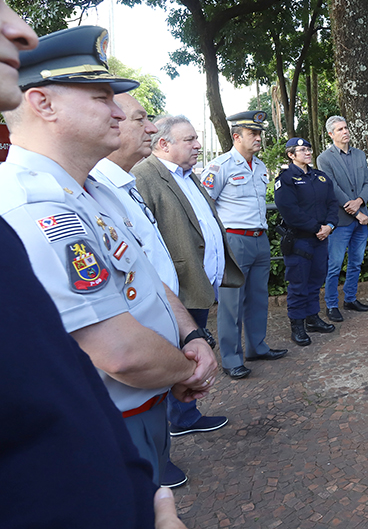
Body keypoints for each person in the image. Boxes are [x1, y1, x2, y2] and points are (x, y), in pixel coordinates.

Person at [0, 24, 216, 494]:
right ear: (42, 103)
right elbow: (119, 352)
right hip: (107, 420)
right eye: (101, 97)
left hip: (147, 403)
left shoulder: (93, 189)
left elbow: (147, 278)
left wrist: (191, 333)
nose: (120, 112)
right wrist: (187, 369)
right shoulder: (33, 205)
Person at [92, 93, 228, 488]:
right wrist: (187, 367)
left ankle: (168, 443)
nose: (150, 127)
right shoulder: (126, 181)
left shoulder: (116, 186)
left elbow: (147, 262)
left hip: (171, 304)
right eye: (140, 119)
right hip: (140, 335)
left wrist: (188, 332)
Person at [133, 116, 244, 380]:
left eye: (196, 138)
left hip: (198, 284)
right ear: (164, 144)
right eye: (189, 139)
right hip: (176, 290)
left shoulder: (187, 175)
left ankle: (188, 413)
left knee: (195, 350)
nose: (197, 145)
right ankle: (183, 416)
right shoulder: (144, 177)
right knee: (180, 351)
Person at [201, 111, 287, 378]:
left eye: (260, 133)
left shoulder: (260, 167)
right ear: (237, 137)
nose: (259, 138)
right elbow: (205, 205)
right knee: (231, 303)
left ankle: (257, 347)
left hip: (259, 239)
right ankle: (230, 358)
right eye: (253, 134)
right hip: (234, 240)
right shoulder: (220, 166)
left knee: (258, 298)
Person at [274, 137, 339, 345]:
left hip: (321, 239)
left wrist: (329, 226)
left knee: (315, 281)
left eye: (308, 148)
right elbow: (290, 211)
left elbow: (332, 203)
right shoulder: (285, 179)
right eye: (302, 150)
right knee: (298, 283)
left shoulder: (320, 177)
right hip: (300, 240)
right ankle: (297, 325)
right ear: (291, 155)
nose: (307, 152)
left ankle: (312, 318)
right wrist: (316, 228)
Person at [316, 115, 368, 322]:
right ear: (331, 134)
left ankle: (350, 298)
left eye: (346, 128)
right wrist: (356, 211)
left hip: (361, 220)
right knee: (334, 265)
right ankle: (331, 305)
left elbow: (367, 183)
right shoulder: (324, 158)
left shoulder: (360, 155)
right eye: (340, 129)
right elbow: (332, 188)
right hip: (341, 222)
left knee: (356, 263)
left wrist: (360, 201)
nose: (345, 131)